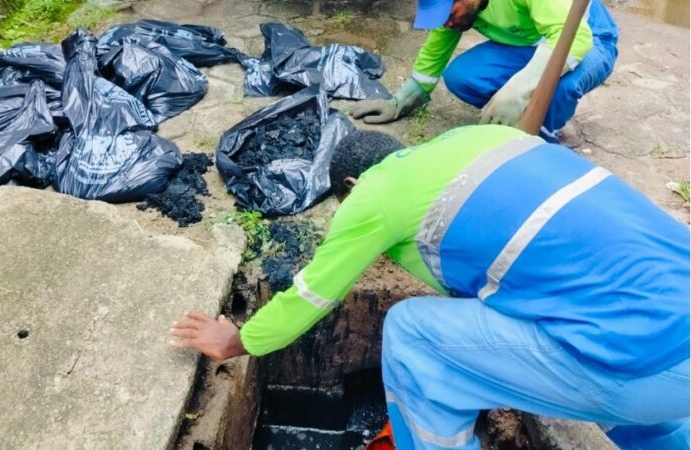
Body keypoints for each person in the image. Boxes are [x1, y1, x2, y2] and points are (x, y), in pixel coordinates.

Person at [170, 125, 689, 449]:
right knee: (610, 324)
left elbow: (312, 293)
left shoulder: (374, 195)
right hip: (670, 350)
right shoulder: (481, 140)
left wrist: (236, 341)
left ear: (350, 186)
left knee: (412, 330)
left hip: (651, 369)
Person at [351, 0, 618, 142]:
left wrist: (517, 90)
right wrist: (402, 100)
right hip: (533, 42)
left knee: (559, 86)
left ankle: (544, 136)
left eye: (449, 11)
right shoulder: (457, 11)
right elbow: (436, 48)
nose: (446, 21)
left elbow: (575, 39)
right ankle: (519, 112)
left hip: (587, 38)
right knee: (462, 76)